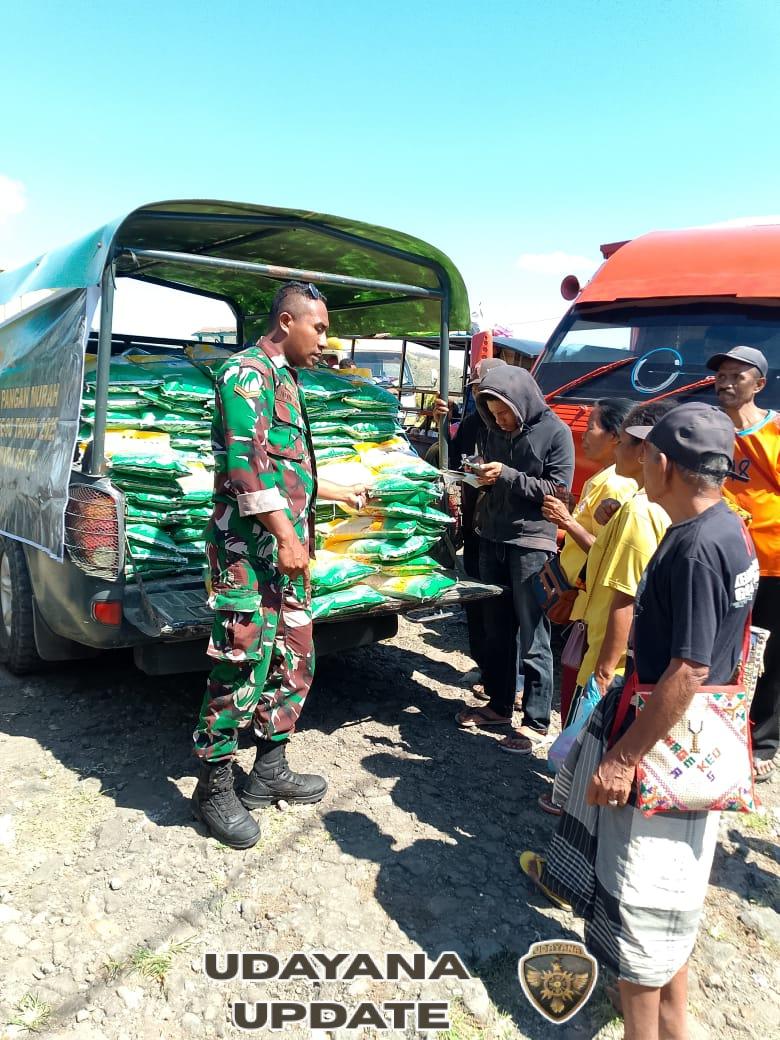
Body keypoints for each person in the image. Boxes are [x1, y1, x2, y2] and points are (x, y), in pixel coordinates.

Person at [524, 401, 759, 1040]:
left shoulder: (692, 549)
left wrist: (623, 755)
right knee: (674, 900)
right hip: (698, 740)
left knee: (642, 897)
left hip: (667, 744)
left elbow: (686, 670)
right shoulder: (731, 530)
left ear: (663, 463)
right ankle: (676, 1026)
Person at [191, 282, 367, 849]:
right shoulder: (245, 374)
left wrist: (333, 490)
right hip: (248, 555)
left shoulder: (285, 378)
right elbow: (245, 469)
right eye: (318, 328)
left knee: (294, 655)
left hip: (283, 554)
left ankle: (268, 770)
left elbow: (284, 468)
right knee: (241, 662)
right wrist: (289, 537)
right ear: (287, 321)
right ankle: (213, 785)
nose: (325, 339)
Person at [455, 366, 574, 752]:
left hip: (530, 544)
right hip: (491, 537)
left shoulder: (556, 432)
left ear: (521, 399)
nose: (500, 420)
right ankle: (499, 705)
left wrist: (505, 475)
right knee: (496, 630)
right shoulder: (492, 429)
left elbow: (558, 491)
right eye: (493, 413)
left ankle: (537, 721)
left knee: (534, 634)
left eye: (504, 411)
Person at [540, 397, 637, 728]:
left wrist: (568, 522)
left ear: (616, 438)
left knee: (582, 700)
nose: (583, 433)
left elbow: (608, 552)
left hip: (593, 608)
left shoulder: (618, 485)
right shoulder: (605, 477)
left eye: (592, 425)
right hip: (583, 605)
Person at [708, 345, 779, 781]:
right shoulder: (711, 429)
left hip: (772, 562)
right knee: (718, 648)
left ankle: (764, 741)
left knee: (773, 655)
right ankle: (713, 730)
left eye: (738, 375)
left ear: (760, 384)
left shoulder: (775, 434)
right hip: (720, 558)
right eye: (721, 374)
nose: (726, 382)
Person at [433, 358, 506, 691]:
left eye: (483, 389)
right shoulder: (475, 422)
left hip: (502, 530)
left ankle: (507, 678)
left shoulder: (514, 425)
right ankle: (484, 668)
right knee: (475, 602)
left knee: (503, 610)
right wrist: (442, 422)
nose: (479, 396)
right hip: (475, 527)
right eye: (475, 390)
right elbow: (452, 456)